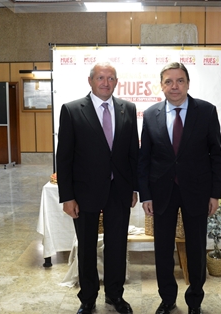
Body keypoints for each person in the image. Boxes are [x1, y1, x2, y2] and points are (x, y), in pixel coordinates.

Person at [138, 62, 221, 314]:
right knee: (162, 250)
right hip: (161, 192)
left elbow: (215, 156)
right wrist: (146, 194)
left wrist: (214, 193)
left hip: (197, 191)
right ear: (162, 85)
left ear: (188, 83)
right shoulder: (151, 114)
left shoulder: (206, 111)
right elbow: (145, 158)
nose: (174, 86)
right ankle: (167, 299)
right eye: (168, 81)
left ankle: (195, 300)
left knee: (196, 248)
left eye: (179, 81)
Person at [56, 62, 139, 314]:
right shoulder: (71, 110)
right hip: (84, 192)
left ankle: (115, 294)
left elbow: (132, 153)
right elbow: (64, 157)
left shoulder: (128, 109)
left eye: (111, 78)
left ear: (116, 82)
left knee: (117, 245)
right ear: (90, 81)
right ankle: (88, 297)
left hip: (119, 191)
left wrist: (134, 188)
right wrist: (67, 196)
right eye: (100, 77)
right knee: (87, 246)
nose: (106, 82)